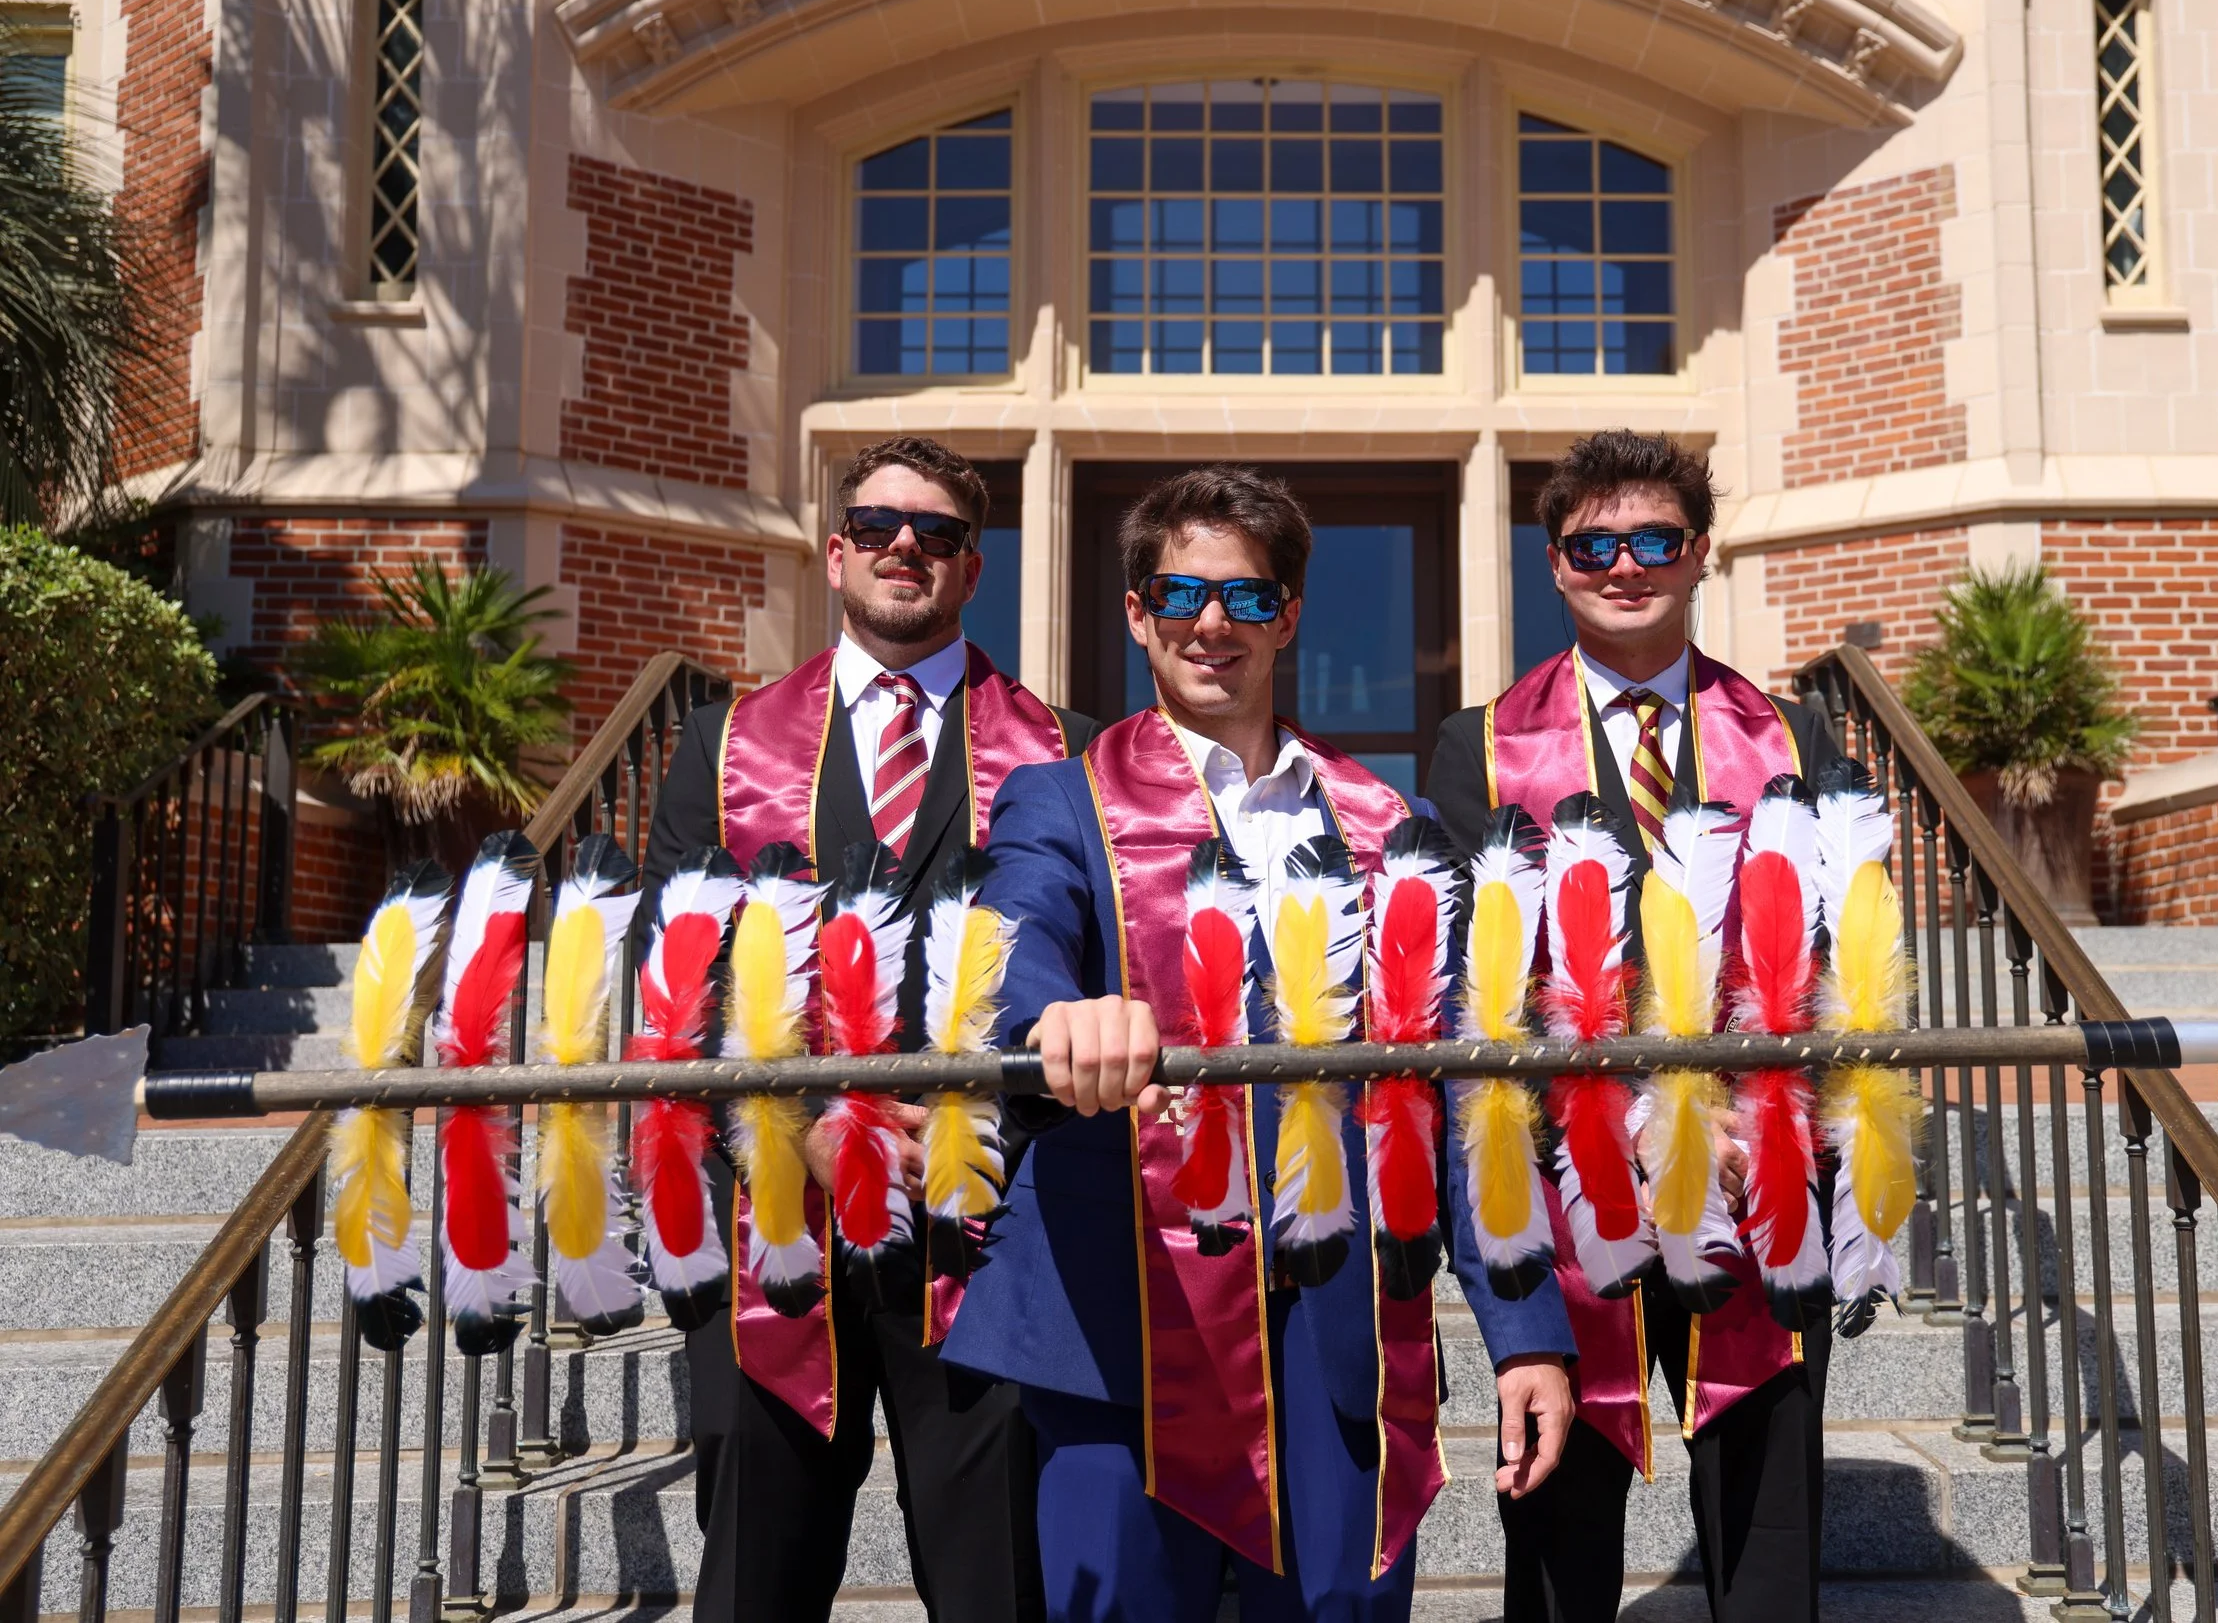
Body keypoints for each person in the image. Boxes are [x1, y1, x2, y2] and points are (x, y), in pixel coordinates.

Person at [943, 465, 1580, 1622]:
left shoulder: (1394, 829)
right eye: (1178, 592)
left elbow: (1458, 1098)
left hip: (1334, 1327)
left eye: (1244, 598)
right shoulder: (1057, 799)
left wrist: (1526, 1330)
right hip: (1120, 1322)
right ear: (1135, 610)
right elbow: (1015, 932)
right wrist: (1056, 1013)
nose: (1209, 623)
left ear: (1287, 614)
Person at [641, 434, 1094, 1622]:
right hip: (772, 1225)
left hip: (989, 1227)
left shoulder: (1066, 748)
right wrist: (818, 1123)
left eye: (936, 533)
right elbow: (678, 992)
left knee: (999, 1580)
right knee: (755, 1584)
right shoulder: (721, 745)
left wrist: (969, 1120)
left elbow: (1086, 973)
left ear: (971, 568)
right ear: (834, 553)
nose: (908, 546)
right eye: (882, 525)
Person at [1424, 429, 1845, 1623]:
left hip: (1757, 1185)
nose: (1624, 564)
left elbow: (1826, 973)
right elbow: (1475, 998)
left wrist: (1756, 1119)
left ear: (1699, 551)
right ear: (1553, 564)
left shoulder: (1792, 739)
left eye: (1652, 538)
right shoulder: (1483, 749)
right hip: (1568, 1192)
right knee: (1558, 1550)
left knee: (1767, 1555)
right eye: (1591, 544)